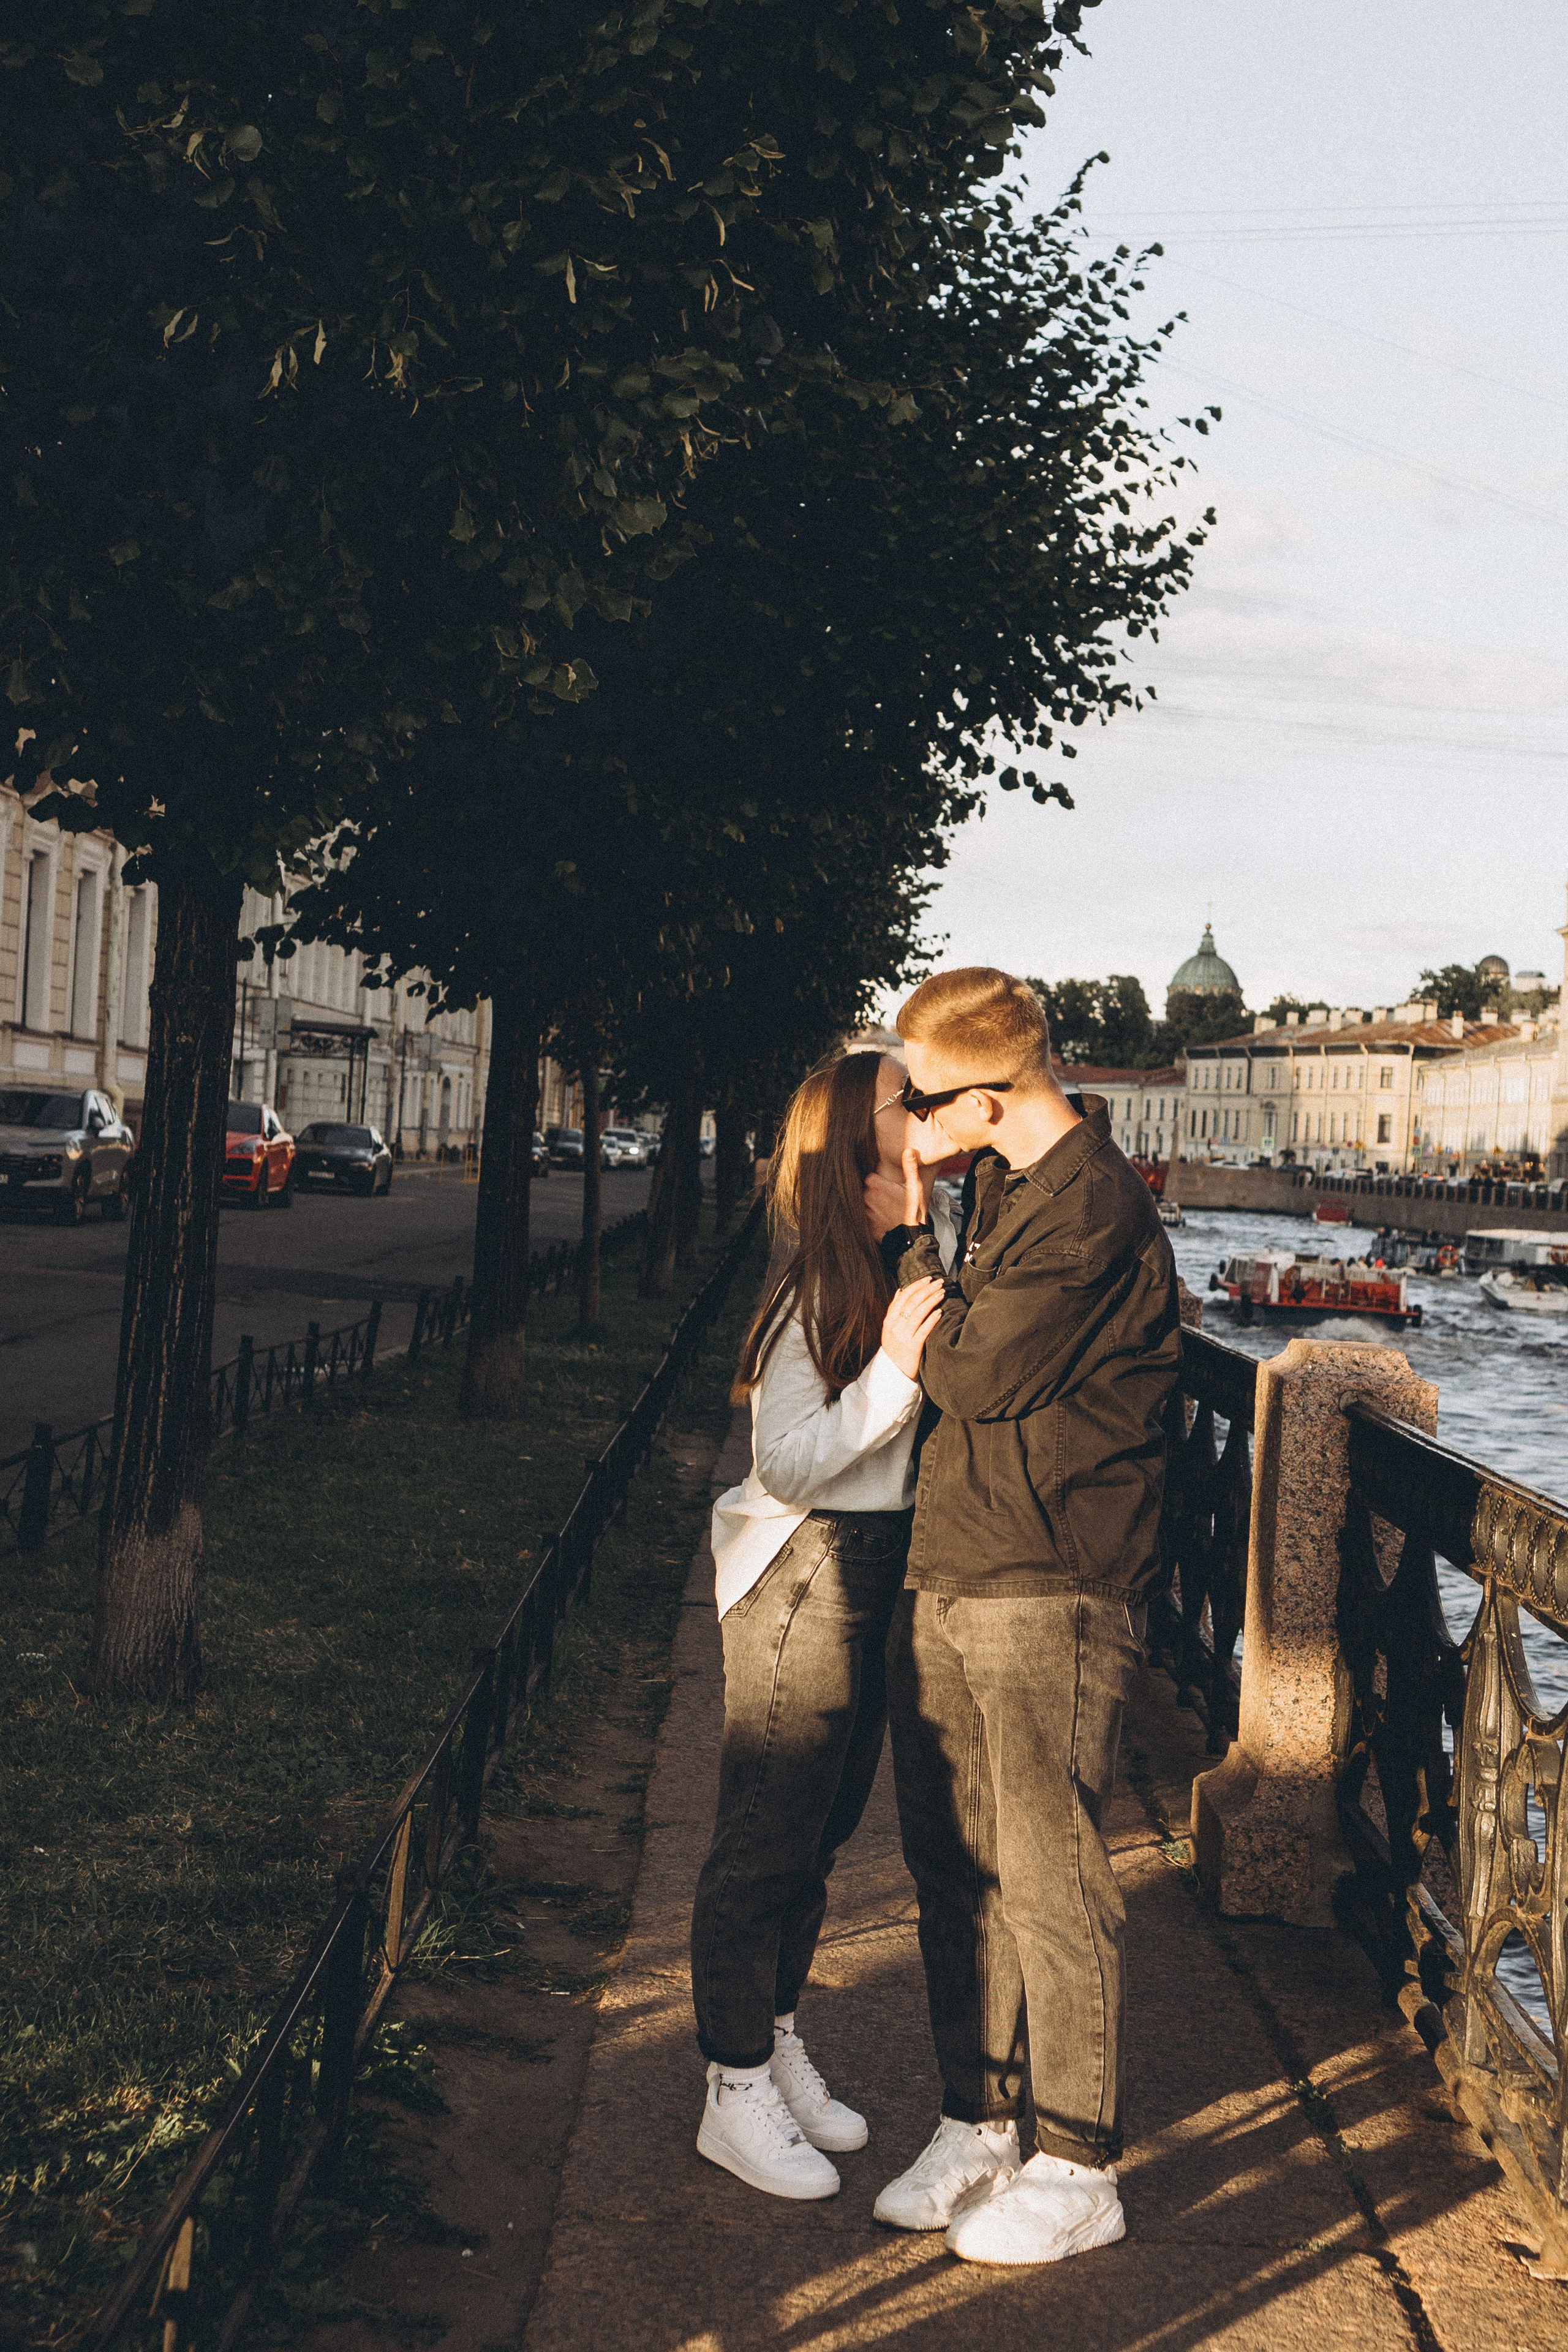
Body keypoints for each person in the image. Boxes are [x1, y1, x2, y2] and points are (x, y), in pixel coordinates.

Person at [863, 967, 1180, 2266]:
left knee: (1051, 1880)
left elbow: (977, 1370)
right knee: (954, 1869)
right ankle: (979, 2121)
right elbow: (950, 1345)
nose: (911, 1124)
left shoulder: (1093, 1208)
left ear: (987, 1095)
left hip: (1051, 1580)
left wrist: (908, 1278)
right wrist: (925, 1231)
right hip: (954, 1562)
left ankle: (1078, 2161)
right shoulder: (1001, 1185)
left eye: (924, 1101)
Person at [690, 1049, 952, 2201]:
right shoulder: (813, 1292)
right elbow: (790, 1459)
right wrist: (894, 1373)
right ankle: (731, 2083)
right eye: (911, 1103)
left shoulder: (901, 1254)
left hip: (868, 1564)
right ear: (857, 1151)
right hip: (804, 1568)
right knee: (764, 1835)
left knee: (825, 1829)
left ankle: (774, 2030)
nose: (931, 1115)